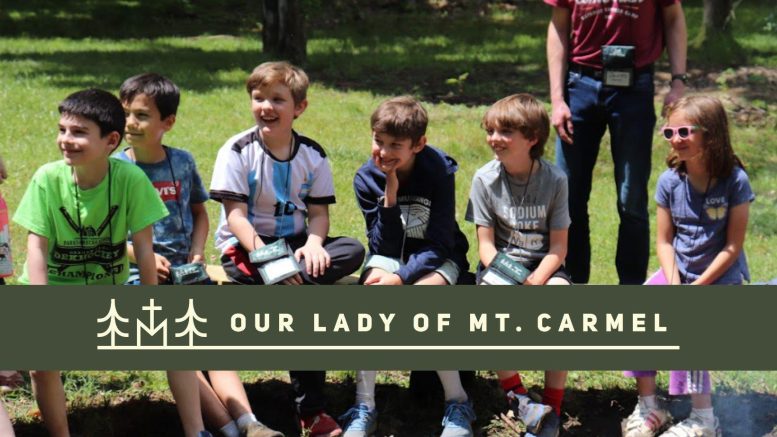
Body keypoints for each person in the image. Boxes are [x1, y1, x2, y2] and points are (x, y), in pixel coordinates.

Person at [12, 89, 212, 437]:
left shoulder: (130, 179)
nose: (66, 140)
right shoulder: (47, 179)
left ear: (111, 140)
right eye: (62, 130)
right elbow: (36, 249)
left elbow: (145, 251)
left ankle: (197, 432)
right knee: (42, 364)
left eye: (78, 132)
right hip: (51, 296)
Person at [209, 61, 363, 437]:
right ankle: (311, 411)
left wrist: (314, 243)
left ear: (300, 107)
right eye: (258, 98)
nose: (266, 107)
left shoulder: (313, 154)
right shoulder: (237, 150)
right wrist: (272, 261)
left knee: (353, 249)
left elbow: (318, 215)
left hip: (295, 247)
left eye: (278, 99)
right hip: (247, 247)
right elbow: (236, 218)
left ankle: (289, 281)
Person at [623, 95, 753, 437]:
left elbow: (732, 246)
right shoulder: (669, 181)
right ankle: (649, 406)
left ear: (710, 134)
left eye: (684, 131)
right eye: (669, 132)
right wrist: (674, 282)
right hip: (679, 274)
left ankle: (704, 418)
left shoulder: (735, 181)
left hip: (720, 279)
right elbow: (665, 242)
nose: (676, 139)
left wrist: (696, 288)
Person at [346, 96, 475, 437]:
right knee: (370, 296)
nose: (384, 152)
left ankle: (458, 402)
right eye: (379, 141)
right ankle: (364, 406)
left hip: (438, 256)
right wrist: (390, 194)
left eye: (395, 145)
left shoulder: (438, 171)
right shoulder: (366, 177)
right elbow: (382, 246)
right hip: (392, 255)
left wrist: (402, 278)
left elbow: (441, 243)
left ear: (418, 144)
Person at [545, 0, 688, 284]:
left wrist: (678, 82)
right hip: (579, 86)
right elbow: (558, 27)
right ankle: (572, 283)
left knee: (631, 199)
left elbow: (673, 18)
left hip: (634, 87)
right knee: (570, 197)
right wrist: (557, 99)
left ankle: (631, 289)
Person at [465, 94, 569, 437]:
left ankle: (553, 408)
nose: (494, 139)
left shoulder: (555, 180)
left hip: (545, 265)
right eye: (491, 131)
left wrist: (537, 280)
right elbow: (486, 247)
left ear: (532, 138)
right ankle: (521, 399)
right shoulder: (484, 179)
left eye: (505, 132)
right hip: (501, 265)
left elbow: (559, 247)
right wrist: (520, 279)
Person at [116, 73, 210, 285]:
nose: (130, 123)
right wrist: (143, 258)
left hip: (185, 270)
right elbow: (104, 235)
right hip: (134, 271)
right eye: (125, 114)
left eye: (141, 115)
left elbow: (200, 213)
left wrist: (197, 249)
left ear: (168, 122)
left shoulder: (183, 162)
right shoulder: (113, 169)